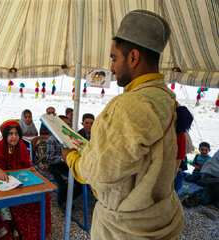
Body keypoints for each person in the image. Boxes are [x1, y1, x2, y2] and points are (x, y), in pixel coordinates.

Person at [62, 10, 184, 239]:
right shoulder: (168, 99)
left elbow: (101, 173)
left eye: (114, 58)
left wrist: (72, 158)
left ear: (134, 57)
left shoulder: (130, 104)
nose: (111, 68)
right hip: (161, 217)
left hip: (123, 229)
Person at [0, 120, 51, 240]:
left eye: (16, 133)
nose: (14, 137)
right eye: (10, 134)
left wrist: (30, 169)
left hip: (18, 182)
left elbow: (26, 165)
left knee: (43, 196)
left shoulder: (20, 146)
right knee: (18, 203)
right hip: (4, 184)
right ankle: (19, 232)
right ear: (5, 135)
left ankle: (37, 232)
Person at [46, 115, 82, 209]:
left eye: (68, 125)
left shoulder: (72, 139)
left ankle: (68, 199)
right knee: (65, 184)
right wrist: (64, 158)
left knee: (81, 183)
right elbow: (50, 159)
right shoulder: (52, 139)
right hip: (57, 165)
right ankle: (62, 202)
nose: (67, 127)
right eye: (64, 125)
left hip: (68, 163)